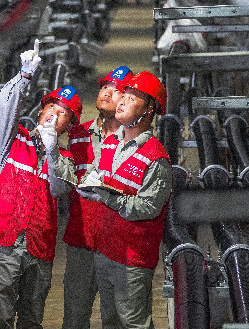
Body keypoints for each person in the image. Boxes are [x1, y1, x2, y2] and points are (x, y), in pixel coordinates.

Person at [0, 40, 81, 329]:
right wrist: (23, 77)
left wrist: (51, 151)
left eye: (63, 114)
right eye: (51, 107)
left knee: (32, 318)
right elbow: (4, 109)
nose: (54, 115)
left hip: (39, 246)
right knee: (2, 317)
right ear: (40, 111)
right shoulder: (13, 141)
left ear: (68, 126)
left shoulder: (65, 160)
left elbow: (60, 191)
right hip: (5, 243)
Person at [76, 71, 172, 329]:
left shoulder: (155, 157)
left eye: (131, 98)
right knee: (111, 321)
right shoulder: (109, 144)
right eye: (124, 95)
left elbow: (150, 207)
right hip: (105, 249)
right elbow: (95, 174)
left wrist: (109, 198)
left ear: (149, 110)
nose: (121, 101)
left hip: (132, 257)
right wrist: (87, 185)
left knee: (133, 322)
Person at [62, 66, 133, 329]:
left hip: (116, 242)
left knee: (114, 317)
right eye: (105, 87)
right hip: (81, 238)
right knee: (74, 315)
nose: (107, 93)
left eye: (117, 90)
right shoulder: (77, 135)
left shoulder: (133, 142)